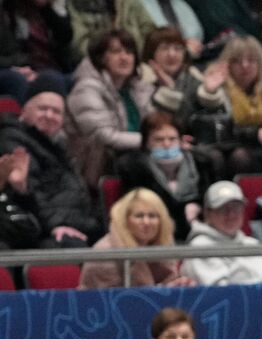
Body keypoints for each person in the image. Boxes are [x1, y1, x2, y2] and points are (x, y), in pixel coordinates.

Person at [0, 77, 104, 249]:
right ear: (24, 111)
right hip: (46, 230)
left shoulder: (58, 146)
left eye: (56, 112)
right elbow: (34, 194)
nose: (49, 115)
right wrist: (54, 227)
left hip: (77, 223)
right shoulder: (13, 141)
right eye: (42, 109)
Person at [191, 35, 262, 178]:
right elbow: (216, 132)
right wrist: (210, 93)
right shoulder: (216, 87)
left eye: (251, 60)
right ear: (226, 65)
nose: (245, 66)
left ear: (261, 63)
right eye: (236, 61)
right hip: (231, 146)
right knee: (237, 156)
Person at [65, 27, 154, 185]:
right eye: (116, 52)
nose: (124, 58)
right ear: (100, 58)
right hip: (98, 167)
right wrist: (152, 141)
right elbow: (104, 136)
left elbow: (154, 124)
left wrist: (168, 140)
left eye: (129, 52)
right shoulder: (86, 89)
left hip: (137, 155)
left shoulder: (136, 88)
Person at [79, 187, 194, 288]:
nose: (146, 222)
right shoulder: (105, 254)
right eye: (139, 216)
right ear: (125, 220)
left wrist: (179, 287)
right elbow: (118, 303)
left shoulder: (164, 247)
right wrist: (163, 291)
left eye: (152, 216)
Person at [184, 180, 262, 286]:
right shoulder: (199, 248)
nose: (231, 215)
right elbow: (221, 294)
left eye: (236, 208)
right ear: (207, 213)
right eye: (223, 209)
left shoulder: (253, 243)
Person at [116, 110, 205, 240]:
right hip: (152, 233)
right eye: (159, 139)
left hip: (196, 232)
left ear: (181, 141)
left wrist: (197, 207)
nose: (167, 145)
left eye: (172, 139)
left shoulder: (200, 164)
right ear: (146, 143)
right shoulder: (134, 168)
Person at [137, 25, 202, 129]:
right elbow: (148, 123)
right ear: (151, 53)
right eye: (164, 48)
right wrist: (169, 91)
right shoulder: (141, 81)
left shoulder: (192, 78)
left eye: (177, 48)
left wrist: (210, 92)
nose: (172, 54)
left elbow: (193, 120)